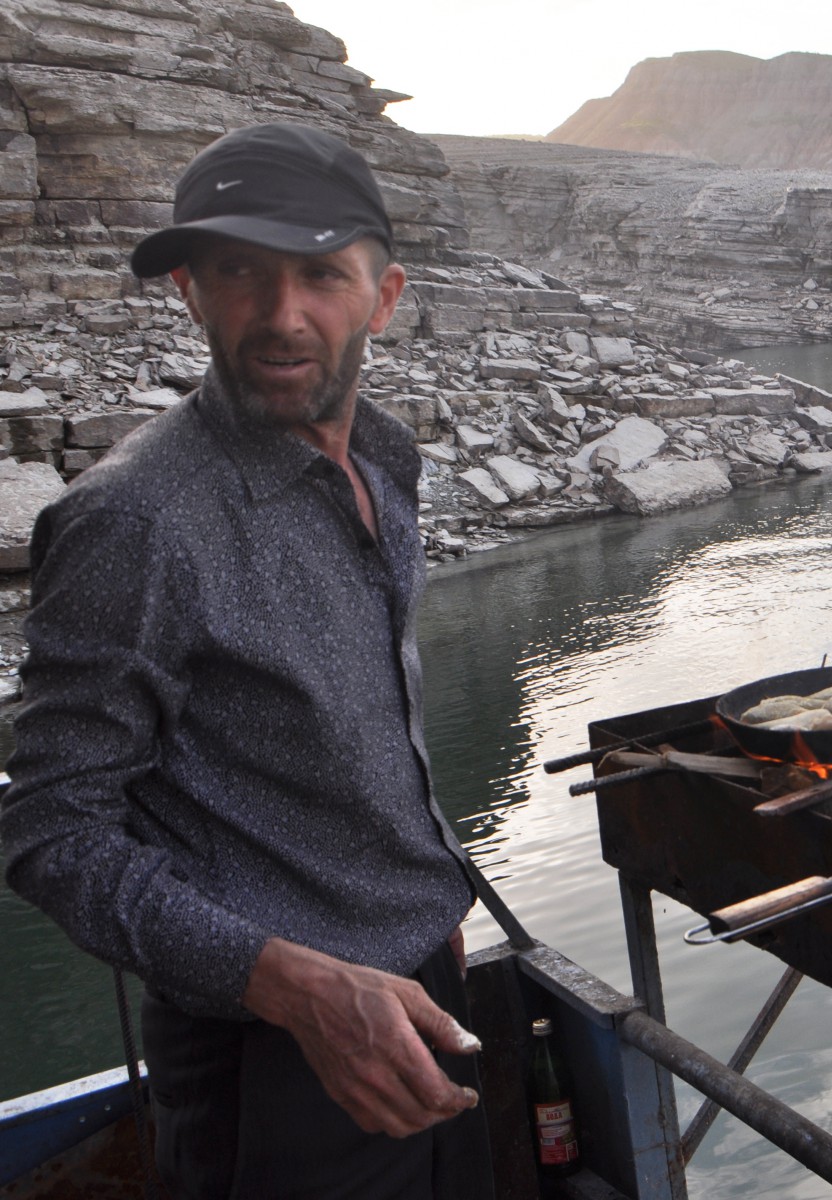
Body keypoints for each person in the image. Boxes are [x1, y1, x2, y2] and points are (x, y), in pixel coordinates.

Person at [0, 123, 495, 1199]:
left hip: (422, 985)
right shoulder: (137, 521)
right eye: (239, 273)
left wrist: (422, 900)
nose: (281, 315)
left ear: (383, 296)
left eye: (321, 275)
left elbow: (366, 728)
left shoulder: (383, 457)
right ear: (190, 292)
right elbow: (48, 829)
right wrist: (294, 986)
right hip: (271, 1060)